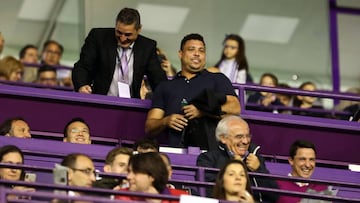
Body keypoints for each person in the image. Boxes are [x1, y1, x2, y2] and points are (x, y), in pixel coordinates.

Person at [145, 33, 240, 150]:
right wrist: (166, 121)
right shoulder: (165, 87)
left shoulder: (217, 79)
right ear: (181, 54)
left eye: (201, 51)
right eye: (191, 49)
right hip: (176, 152)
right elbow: (149, 126)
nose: (197, 54)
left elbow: (235, 108)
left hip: (211, 153)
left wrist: (203, 111)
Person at [72, 7, 167, 98]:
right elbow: (83, 66)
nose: (122, 38)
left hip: (131, 105)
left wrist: (165, 98)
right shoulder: (98, 37)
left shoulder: (147, 47)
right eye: (119, 33)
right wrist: (82, 85)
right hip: (100, 100)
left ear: (139, 30)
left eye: (128, 34)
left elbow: (157, 78)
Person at [196, 115, 278, 202]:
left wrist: (259, 170)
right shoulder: (207, 159)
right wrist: (235, 166)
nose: (245, 141)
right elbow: (209, 193)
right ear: (223, 138)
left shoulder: (256, 158)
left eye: (247, 136)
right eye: (239, 137)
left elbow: (273, 196)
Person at [115, 152, 187, 203]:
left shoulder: (182, 198)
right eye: (129, 171)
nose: (128, 177)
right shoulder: (121, 196)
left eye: (135, 172)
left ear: (152, 176)